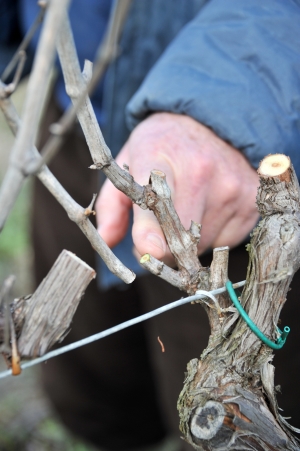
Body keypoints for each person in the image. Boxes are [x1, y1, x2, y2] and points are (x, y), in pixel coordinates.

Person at [1, 0, 300, 450]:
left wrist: (240, 93)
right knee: (95, 398)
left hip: (237, 154)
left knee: (231, 424)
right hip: (74, 118)